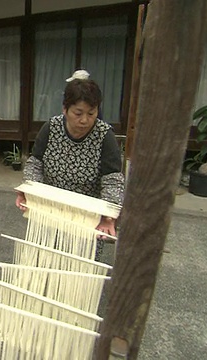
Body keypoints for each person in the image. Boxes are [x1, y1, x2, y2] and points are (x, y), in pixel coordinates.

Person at [15, 77, 124, 261]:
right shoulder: (51, 128)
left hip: (85, 218)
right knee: (45, 263)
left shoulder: (105, 136)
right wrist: (29, 191)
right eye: (78, 113)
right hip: (51, 212)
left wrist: (108, 216)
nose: (84, 120)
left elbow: (113, 179)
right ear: (65, 109)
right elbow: (35, 163)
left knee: (77, 271)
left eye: (91, 113)